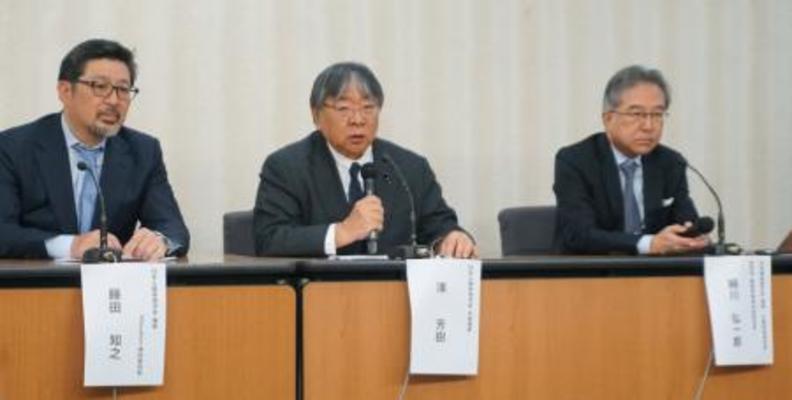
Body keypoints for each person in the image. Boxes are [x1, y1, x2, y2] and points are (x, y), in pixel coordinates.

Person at [254, 62, 477, 258]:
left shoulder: (409, 168)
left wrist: (451, 239)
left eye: (368, 108)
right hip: (322, 289)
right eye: (343, 108)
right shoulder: (287, 167)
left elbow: (440, 227)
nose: (358, 119)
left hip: (393, 289)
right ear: (316, 115)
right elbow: (270, 239)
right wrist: (342, 232)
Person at [0, 39, 189, 260]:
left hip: (113, 280)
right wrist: (71, 246)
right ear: (65, 91)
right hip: (38, 280)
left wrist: (160, 240)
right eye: (100, 87)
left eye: (123, 89)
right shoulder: (13, 148)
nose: (114, 100)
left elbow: (173, 228)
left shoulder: (143, 152)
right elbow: (4, 232)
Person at [553, 65, 709, 255]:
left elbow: (686, 221)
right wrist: (648, 244)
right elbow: (578, 235)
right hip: (593, 269)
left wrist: (692, 237)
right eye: (637, 114)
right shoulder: (576, 161)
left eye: (657, 114)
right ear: (608, 119)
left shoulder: (670, 163)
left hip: (656, 271)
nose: (648, 126)